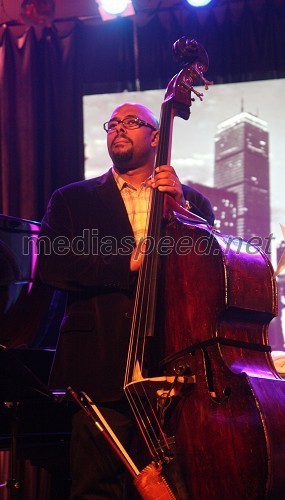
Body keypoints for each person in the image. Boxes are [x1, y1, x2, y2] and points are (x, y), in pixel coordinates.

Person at [37, 102, 214, 498]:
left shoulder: (192, 204)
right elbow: (53, 265)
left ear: (156, 136)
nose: (118, 128)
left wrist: (182, 208)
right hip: (99, 368)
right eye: (113, 123)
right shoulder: (72, 199)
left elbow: (209, 267)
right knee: (94, 489)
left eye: (131, 122)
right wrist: (126, 263)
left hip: (173, 368)